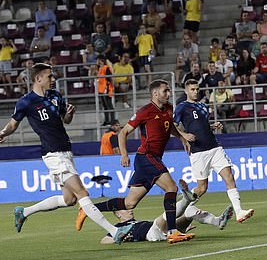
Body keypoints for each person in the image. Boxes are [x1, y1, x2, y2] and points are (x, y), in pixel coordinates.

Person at [0, 63, 134, 243]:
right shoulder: (26, 101)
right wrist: (3, 133)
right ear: (38, 78)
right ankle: (115, 232)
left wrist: (70, 113)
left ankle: (24, 212)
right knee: (82, 193)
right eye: (49, 76)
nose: (53, 80)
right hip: (53, 154)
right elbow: (13, 124)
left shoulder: (55, 96)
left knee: (69, 199)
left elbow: (65, 120)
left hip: (66, 151)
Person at [78, 79, 194, 244]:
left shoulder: (168, 108)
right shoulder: (145, 111)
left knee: (129, 203)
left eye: (169, 91)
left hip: (152, 158)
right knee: (172, 187)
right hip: (146, 156)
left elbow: (170, 127)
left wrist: (182, 138)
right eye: (165, 91)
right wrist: (123, 154)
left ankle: (88, 209)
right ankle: (172, 231)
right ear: (155, 93)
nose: (168, 94)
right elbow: (123, 132)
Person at [174, 79, 255, 223]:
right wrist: (184, 136)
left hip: (214, 147)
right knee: (202, 187)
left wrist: (212, 126)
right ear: (186, 91)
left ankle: (239, 211)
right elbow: (173, 126)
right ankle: (181, 209)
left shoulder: (203, 106)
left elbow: (201, 125)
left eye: (197, 89)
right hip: (198, 152)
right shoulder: (182, 107)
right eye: (192, 89)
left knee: (229, 176)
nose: (195, 91)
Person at [100, 181, 234, 244]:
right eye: (125, 208)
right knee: (163, 216)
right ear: (117, 214)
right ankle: (186, 199)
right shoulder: (117, 228)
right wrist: (122, 237)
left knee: (189, 211)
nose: (130, 209)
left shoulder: (137, 221)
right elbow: (104, 240)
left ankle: (218, 221)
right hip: (151, 234)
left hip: (163, 230)